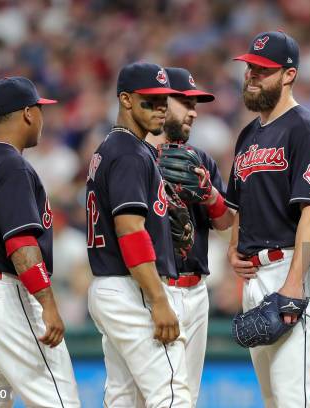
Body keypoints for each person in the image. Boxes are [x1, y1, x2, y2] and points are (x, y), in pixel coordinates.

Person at [0, 76, 81, 407]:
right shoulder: (11, 165)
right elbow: (20, 244)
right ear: (26, 114)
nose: (41, 118)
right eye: (39, 110)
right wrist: (48, 305)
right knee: (58, 399)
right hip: (3, 292)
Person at [226, 31, 310, 407]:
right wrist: (233, 247)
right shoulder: (248, 135)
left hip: (294, 266)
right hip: (257, 274)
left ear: (289, 75)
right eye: (250, 67)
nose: (252, 75)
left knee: (294, 399)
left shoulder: (306, 130)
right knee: (274, 399)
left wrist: (293, 284)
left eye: (263, 70)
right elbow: (239, 203)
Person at [86, 61, 191, 407]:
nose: (162, 108)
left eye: (165, 100)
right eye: (151, 100)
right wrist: (159, 300)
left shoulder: (118, 147)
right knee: (172, 392)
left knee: (124, 397)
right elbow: (130, 231)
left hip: (113, 285)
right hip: (133, 286)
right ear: (127, 100)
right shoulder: (129, 152)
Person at [145, 66, 234, 406]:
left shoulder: (202, 160)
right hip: (155, 287)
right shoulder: (136, 157)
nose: (194, 112)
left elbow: (225, 221)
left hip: (196, 288)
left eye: (196, 104)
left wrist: (210, 194)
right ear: (161, 103)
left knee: (186, 395)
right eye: (185, 102)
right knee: (154, 395)